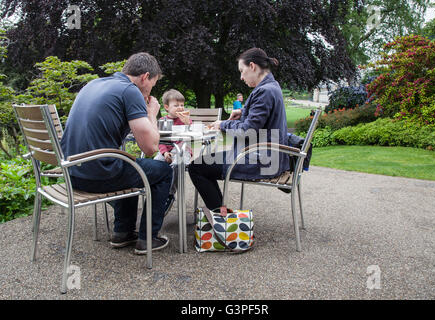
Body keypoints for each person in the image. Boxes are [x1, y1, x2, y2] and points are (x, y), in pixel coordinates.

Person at [61, 52, 172, 254]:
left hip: (72, 174)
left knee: (130, 165)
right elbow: (151, 148)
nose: (150, 91)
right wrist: (151, 114)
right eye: (153, 84)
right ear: (145, 77)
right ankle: (148, 238)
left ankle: (123, 233)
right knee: (163, 170)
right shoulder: (130, 91)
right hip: (98, 176)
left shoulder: (93, 84)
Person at [188, 48, 290, 210]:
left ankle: (221, 220)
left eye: (242, 71)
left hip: (262, 159)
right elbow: (260, 120)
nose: (241, 77)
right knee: (204, 161)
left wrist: (222, 124)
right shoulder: (272, 86)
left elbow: (247, 130)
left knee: (197, 167)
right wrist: (243, 112)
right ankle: (220, 213)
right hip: (266, 154)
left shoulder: (264, 91)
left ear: (252, 66)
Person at [154, 89, 193, 212]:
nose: (180, 108)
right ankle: (155, 192)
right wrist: (165, 152)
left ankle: (169, 194)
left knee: (177, 163)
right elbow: (160, 140)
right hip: (167, 151)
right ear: (166, 107)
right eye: (176, 105)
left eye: (182, 105)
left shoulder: (185, 120)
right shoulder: (162, 121)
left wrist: (187, 123)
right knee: (155, 163)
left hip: (182, 150)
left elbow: (192, 134)